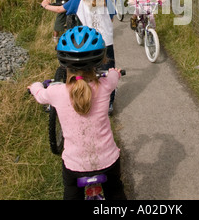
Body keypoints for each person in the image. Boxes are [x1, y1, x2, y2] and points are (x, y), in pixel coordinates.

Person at [28, 26, 127, 200]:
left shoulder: (55, 91)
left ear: (63, 61)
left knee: (71, 193)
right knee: (115, 190)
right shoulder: (106, 85)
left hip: (75, 165)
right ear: (101, 59)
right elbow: (113, 74)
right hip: (108, 161)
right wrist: (114, 72)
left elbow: (39, 95)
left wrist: (34, 86)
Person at [41, 0, 117, 114]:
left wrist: (45, 5)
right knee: (108, 73)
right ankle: (108, 104)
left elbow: (59, 10)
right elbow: (111, 19)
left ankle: (79, 96)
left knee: (81, 70)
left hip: (89, 42)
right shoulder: (106, 0)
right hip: (106, 42)